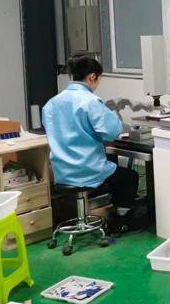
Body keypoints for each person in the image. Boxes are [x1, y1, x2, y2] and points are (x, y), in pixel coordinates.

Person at [42, 56, 141, 236]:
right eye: (100, 79)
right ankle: (122, 220)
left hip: (63, 171)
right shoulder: (90, 101)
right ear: (92, 77)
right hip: (87, 170)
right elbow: (112, 131)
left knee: (112, 165)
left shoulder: (51, 103)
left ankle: (110, 211)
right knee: (130, 177)